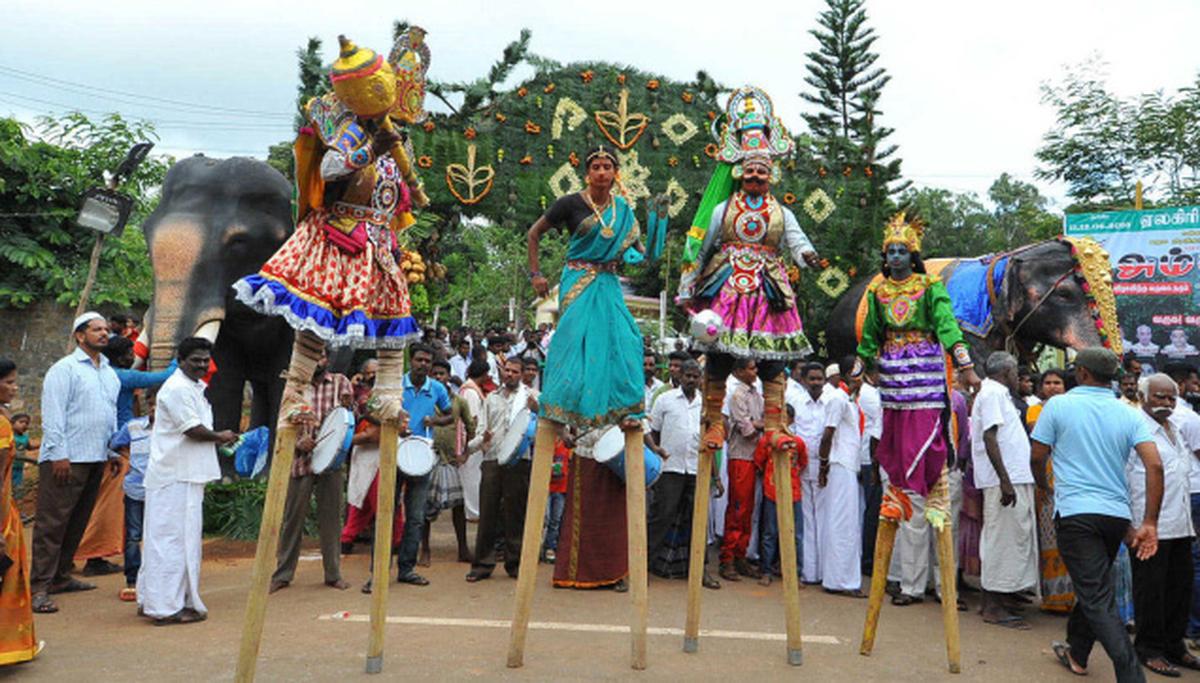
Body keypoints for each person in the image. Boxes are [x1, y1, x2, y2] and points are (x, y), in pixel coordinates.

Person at [527, 144, 668, 591]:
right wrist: (536, 274)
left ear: (616, 172)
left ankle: (622, 405)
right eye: (595, 166)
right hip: (577, 277)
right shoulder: (571, 204)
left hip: (607, 282)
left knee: (626, 341)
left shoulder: (624, 210)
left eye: (608, 166)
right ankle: (563, 404)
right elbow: (534, 233)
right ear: (585, 171)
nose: (602, 172)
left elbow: (640, 257)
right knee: (571, 344)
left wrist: (660, 223)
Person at [1031, 347, 1163, 681]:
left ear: (1084, 374)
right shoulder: (1128, 412)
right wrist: (1148, 522)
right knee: (1094, 586)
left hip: (1076, 513)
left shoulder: (1058, 405)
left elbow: (1037, 455)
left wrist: (1043, 486)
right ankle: (1077, 651)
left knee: (1097, 596)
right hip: (1115, 516)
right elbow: (1155, 465)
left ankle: (1131, 675)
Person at [138, 337, 237, 625]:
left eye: (206, 360)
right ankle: (165, 607)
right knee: (170, 542)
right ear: (180, 360)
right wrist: (220, 436)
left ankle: (158, 599)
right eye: (196, 360)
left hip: (186, 474)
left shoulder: (194, 387)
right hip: (174, 476)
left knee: (174, 541)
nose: (202, 365)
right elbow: (191, 429)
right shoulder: (178, 388)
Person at [31, 312, 120, 614]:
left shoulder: (108, 371)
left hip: (96, 455)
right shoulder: (64, 370)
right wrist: (58, 454)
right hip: (67, 459)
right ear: (80, 336)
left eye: (106, 329)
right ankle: (39, 586)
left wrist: (112, 451)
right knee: (52, 524)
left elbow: (109, 415)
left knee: (77, 521)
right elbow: (53, 414)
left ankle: (60, 576)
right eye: (96, 329)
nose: (104, 334)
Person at [75, 335, 178, 578]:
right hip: (121, 447)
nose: (134, 356)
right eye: (130, 352)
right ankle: (95, 556)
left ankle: (94, 555)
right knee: (110, 506)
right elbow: (163, 378)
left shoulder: (106, 374)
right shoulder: (121, 375)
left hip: (113, 444)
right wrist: (178, 358)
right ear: (120, 356)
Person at [1128, 374, 1200, 676]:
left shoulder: (1176, 428)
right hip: (1149, 525)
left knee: (1179, 589)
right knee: (1151, 591)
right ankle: (1149, 649)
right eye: (1159, 397)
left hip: (1180, 524)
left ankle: (1174, 646)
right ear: (1144, 397)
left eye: (1171, 398)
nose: (1166, 404)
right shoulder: (1135, 429)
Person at [270, 346, 353, 594]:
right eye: (315, 356)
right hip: (300, 460)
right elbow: (282, 423)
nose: (320, 360)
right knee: (292, 519)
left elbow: (348, 422)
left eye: (323, 355)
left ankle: (333, 573)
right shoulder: (294, 387)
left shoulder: (341, 383)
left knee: (331, 519)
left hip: (331, 463)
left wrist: (351, 409)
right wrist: (298, 443)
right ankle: (283, 574)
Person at [971, 352, 1037, 630]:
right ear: (1007, 371)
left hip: (1012, 477)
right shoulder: (993, 394)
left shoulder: (996, 394)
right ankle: (993, 607)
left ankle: (1002, 596)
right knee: (1001, 541)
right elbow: (989, 436)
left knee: (1011, 539)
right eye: (1015, 372)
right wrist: (1005, 480)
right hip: (1004, 481)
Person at [466, 357, 537, 582]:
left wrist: (537, 410)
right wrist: (478, 443)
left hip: (519, 460)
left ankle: (515, 564)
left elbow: (541, 427)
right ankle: (482, 564)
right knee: (487, 512)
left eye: (515, 372)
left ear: (523, 374)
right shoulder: (491, 399)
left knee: (515, 513)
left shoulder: (532, 398)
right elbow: (480, 432)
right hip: (492, 458)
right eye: (507, 370)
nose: (510, 375)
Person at [390, 344, 452, 587]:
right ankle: (379, 571)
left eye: (427, 361)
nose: (423, 364)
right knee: (387, 514)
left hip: (421, 459)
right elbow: (372, 411)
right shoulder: (395, 385)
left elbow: (450, 414)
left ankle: (406, 569)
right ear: (410, 361)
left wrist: (434, 420)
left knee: (415, 518)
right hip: (394, 455)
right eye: (419, 360)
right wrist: (395, 422)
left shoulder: (436, 389)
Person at [648, 360, 710, 585]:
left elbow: (714, 434)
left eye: (695, 376)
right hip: (670, 467)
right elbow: (653, 433)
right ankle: (643, 565)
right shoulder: (665, 400)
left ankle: (700, 571)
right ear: (680, 376)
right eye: (688, 376)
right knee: (662, 516)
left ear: (700, 378)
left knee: (698, 519)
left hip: (696, 468)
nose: (691, 380)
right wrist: (656, 458)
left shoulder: (706, 404)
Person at [0, 358, 40, 664]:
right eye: (9, 382)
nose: (15, 388)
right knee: (9, 580)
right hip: (3, 514)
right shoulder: (1, 425)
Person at [1026, 368, 1074, 615]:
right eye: (1048, 382)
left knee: (1072, 538)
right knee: (1049, 538)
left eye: (1058, 382)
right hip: (1045, 477)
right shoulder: (1036, 410)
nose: (1053, 386)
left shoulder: (1072, 408)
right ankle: (1054, 597)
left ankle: (1072, 598)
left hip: (1071, 478)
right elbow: (1045, 440)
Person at [816, 356, 865, 597]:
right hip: (840, 464)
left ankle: (840, 577)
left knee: (845, 522)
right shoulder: (837, 398)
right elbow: (827, 435)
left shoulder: (845, 398)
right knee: (842, 523)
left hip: (846, 464)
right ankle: (841, 581)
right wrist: (823, 466)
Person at [424, 360, 475, 565]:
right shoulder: (426, 398)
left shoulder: (459, 402)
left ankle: (463, 549)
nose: (438, 377)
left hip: (452, 460)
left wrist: (465, 453)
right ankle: (424, 550)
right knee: (426, 506)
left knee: (458, 505)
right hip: (429, 458)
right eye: (434, 373)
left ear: (448, 376)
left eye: (442, 374)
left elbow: (471, 427)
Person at [108, 392, 156, 602]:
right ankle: (132, 580)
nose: (156, 410)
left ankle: (156, 578)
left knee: (159, 535)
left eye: (160, 405)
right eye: (152, 405)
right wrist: (122, 457)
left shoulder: (174, 430)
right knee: (134, 536)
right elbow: (113, 443)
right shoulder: (133, 427)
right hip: (136, 489)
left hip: (162, 492)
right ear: (147, 405)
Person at [719, 357, 764, 581]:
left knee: (748, 511)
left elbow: (756, 423)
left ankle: (740, 555)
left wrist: (757, 423)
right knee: (737, 508)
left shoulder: (757, 394)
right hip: (740, 456)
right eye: (751, 368)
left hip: (754, 456)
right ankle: (727, 558)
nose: (755, 371)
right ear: (738, 372)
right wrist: (758, 423)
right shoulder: (737, 395)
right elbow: (747, 429)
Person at [755, 403, 806, 587]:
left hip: (794, 493)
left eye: (786, 418)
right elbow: (759, 462)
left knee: (796, 535)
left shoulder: (798, 442)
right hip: (772, 492)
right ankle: (766, 571)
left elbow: (802, 463)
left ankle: (795, 573)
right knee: (770, 533)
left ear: (792, 420)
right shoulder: (767, 441)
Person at [787, 362, 828, 584]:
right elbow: (791, 432)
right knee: (805, 521)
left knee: (822, 520)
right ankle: (807, 572)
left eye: (819, 379)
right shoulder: (795, 403)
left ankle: (823, 572)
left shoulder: (829, 403)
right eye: (812, 379)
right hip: (801, 469)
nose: (816, 383)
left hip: (823, 469)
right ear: (803, 380)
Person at [858, 366, 884, 577]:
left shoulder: (874, 392)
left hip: (874, 458)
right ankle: (868, 561)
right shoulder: (868, 394)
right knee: (873, 512)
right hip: (871, 459)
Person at [458, 359, 490, 522]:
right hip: (471, 442)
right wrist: (470, 445)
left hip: (473, 441)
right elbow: (472, 420)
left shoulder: (470, 389)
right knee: (471, 477)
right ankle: (472, 512)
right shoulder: (470, 392)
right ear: (484, 375)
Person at [541, 438, 569, 564]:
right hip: (545, 487)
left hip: (561, 488)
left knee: (556, 519)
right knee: (544, 518)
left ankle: (550, 547)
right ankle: (538, 547)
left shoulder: (567, 445)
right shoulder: (545, 443)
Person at [9, 413, 36, 491]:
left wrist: (42, 445)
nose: (24, 425)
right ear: (12, 423)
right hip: (9, 466)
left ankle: (16, 500)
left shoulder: (25, 437)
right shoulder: (10, 435)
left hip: (19, 466)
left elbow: (29, 447)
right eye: (21, 422)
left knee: (17, 486)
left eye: (27, 423)